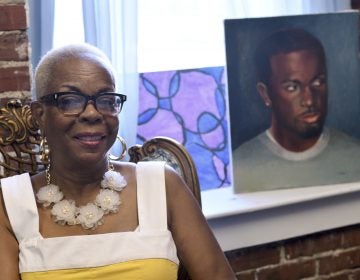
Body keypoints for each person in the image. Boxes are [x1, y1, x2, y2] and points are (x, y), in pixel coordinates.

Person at [0, 43, 236, 279]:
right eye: (70, 100)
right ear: (40, 113)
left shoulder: (161, 185)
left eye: (106, 100)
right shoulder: (10, 203)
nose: (92, 113)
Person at [232, 28, 360, 193]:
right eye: (292, 87)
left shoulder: (355, 155)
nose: (309, 100)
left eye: (317, 82)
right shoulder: (240, 167)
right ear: (265, 93)